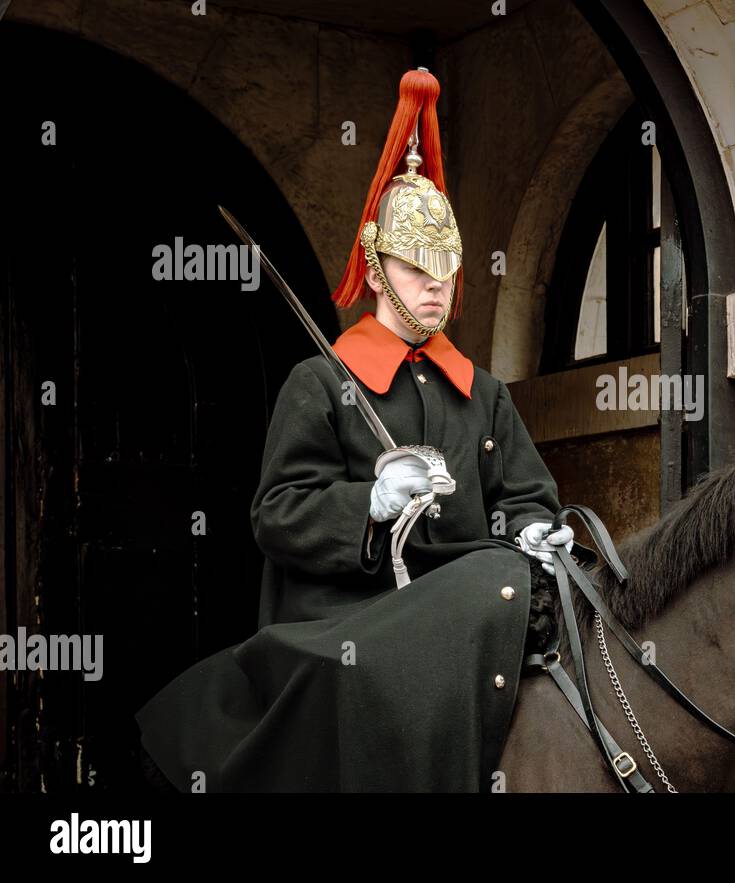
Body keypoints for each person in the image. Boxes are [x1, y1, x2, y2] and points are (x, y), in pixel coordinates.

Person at [136, 68, 575, 792]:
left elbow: (527, 495)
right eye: (416, 267)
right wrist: (368, 504)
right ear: (375, 269)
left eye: (448, 268)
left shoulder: (484, 392)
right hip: (354, 617)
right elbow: (276, 514)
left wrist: (534, 529)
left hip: (465, 614)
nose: (437, 284)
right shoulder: (321, 382)